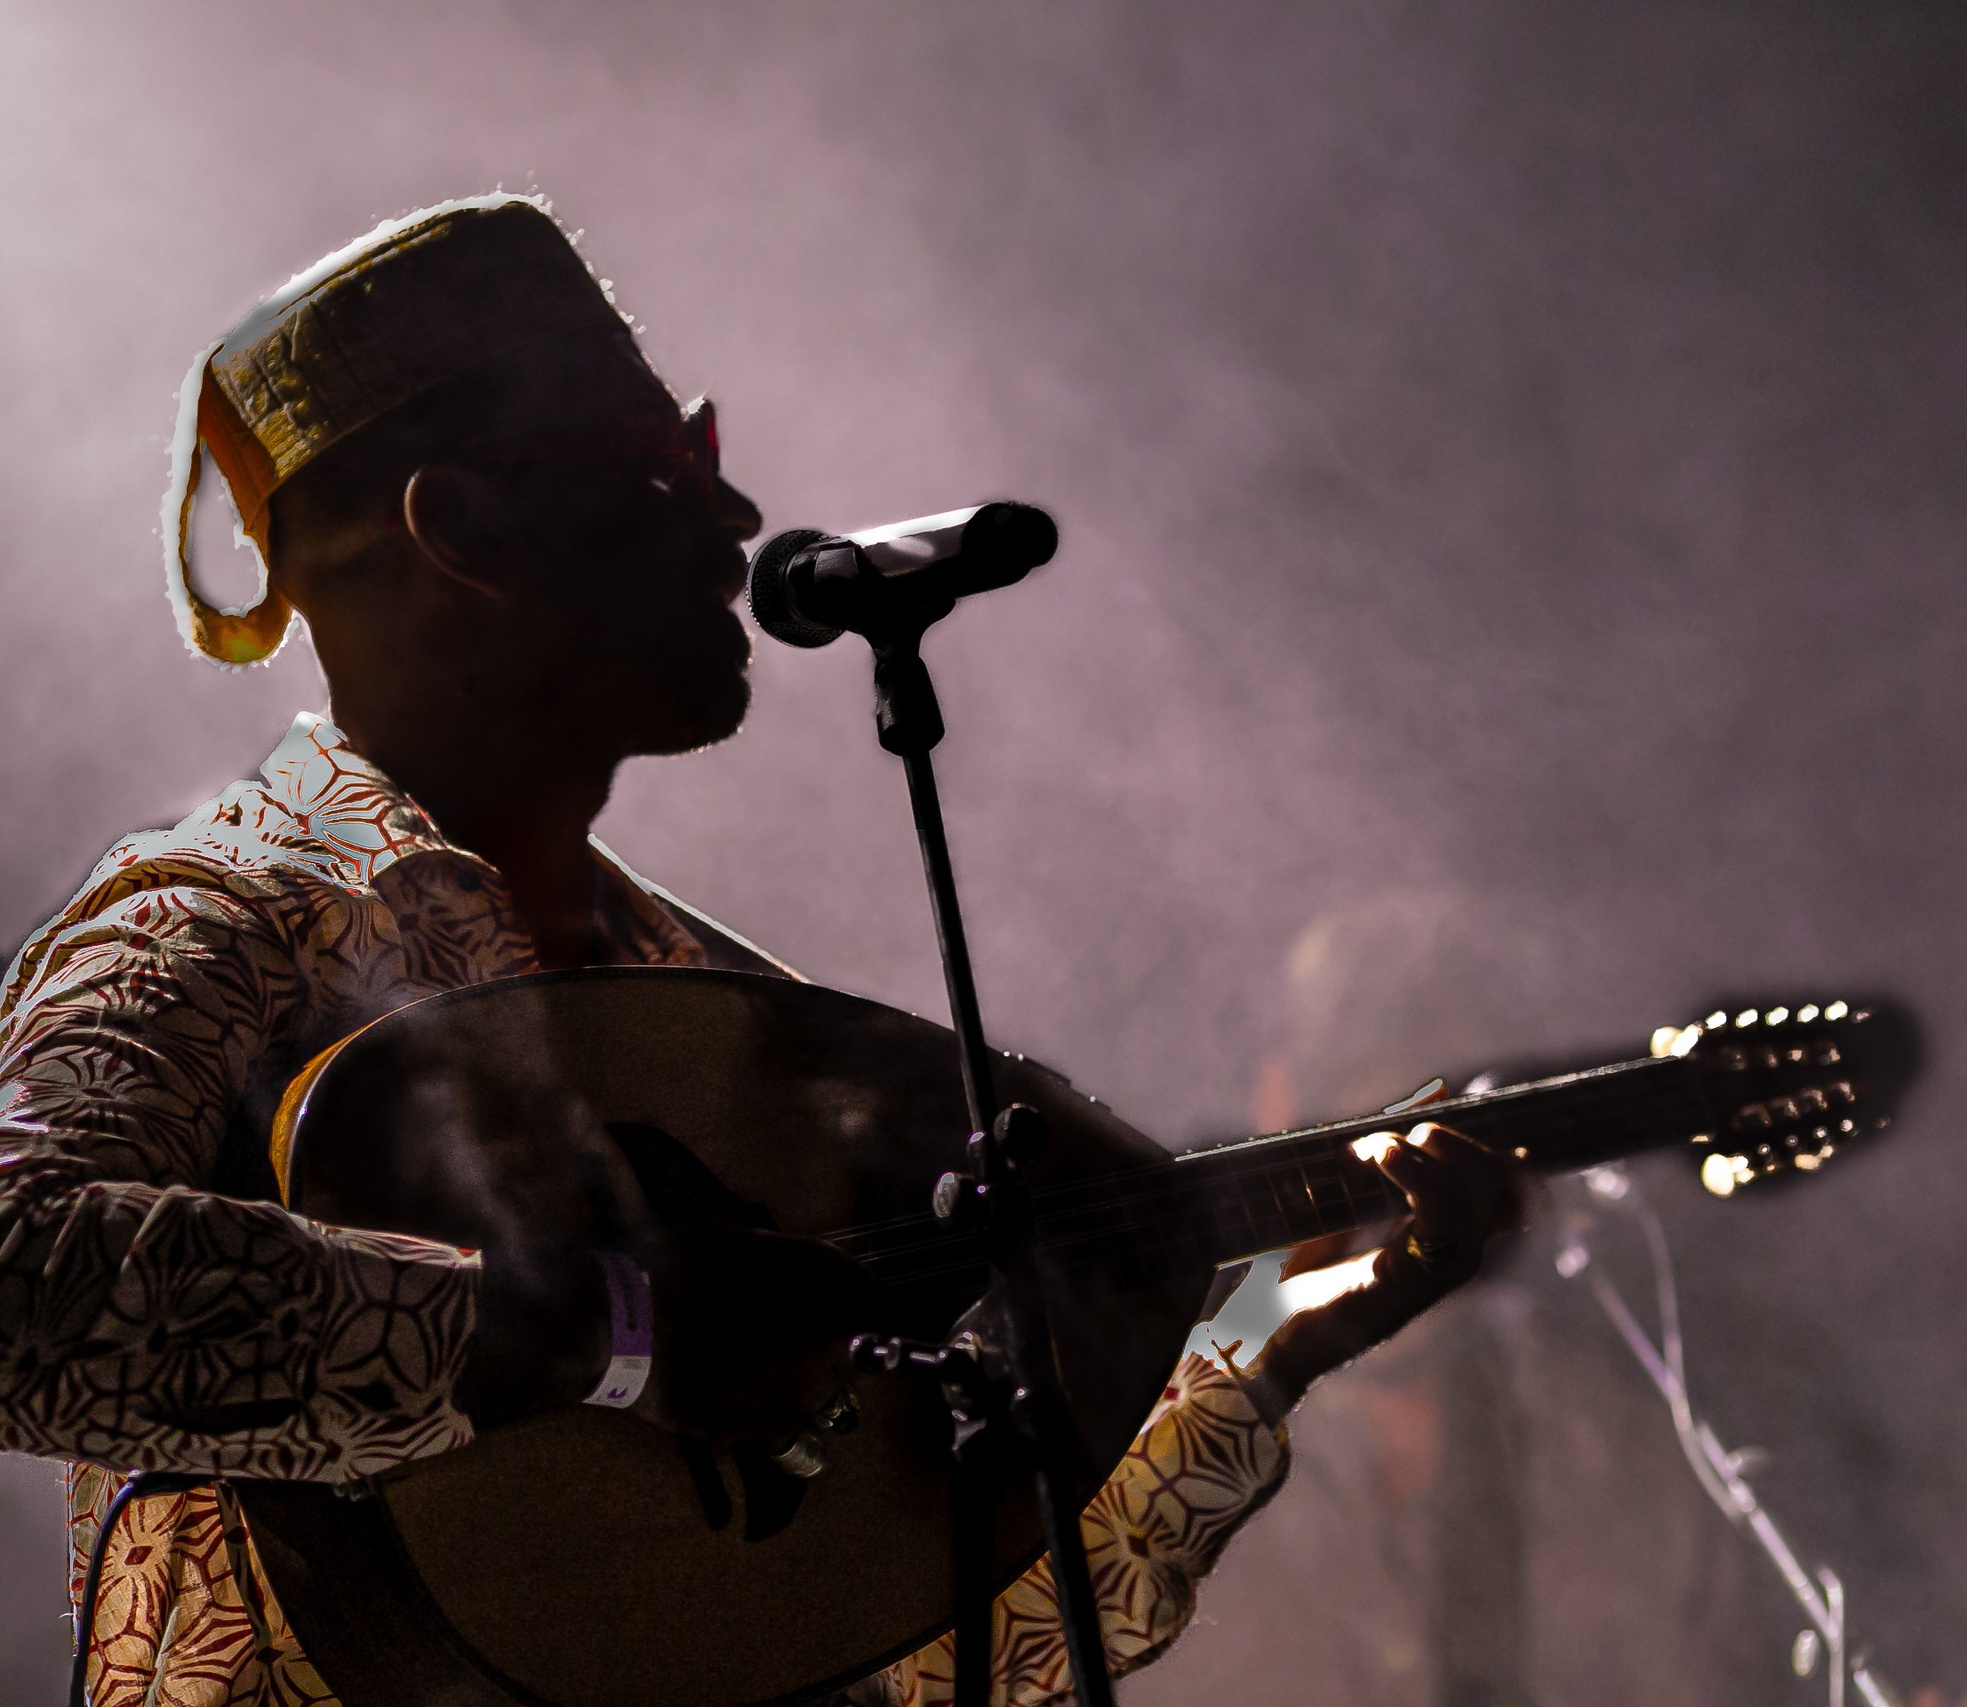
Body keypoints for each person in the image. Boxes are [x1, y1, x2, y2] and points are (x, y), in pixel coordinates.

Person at [0, 195, 1518, 1707]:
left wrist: (1263, 1350)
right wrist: (617, 1339)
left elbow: (905, 1664)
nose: (733, 520)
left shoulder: (706, 1006)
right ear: (459, 525)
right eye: (666, 467)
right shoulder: (220, 920)